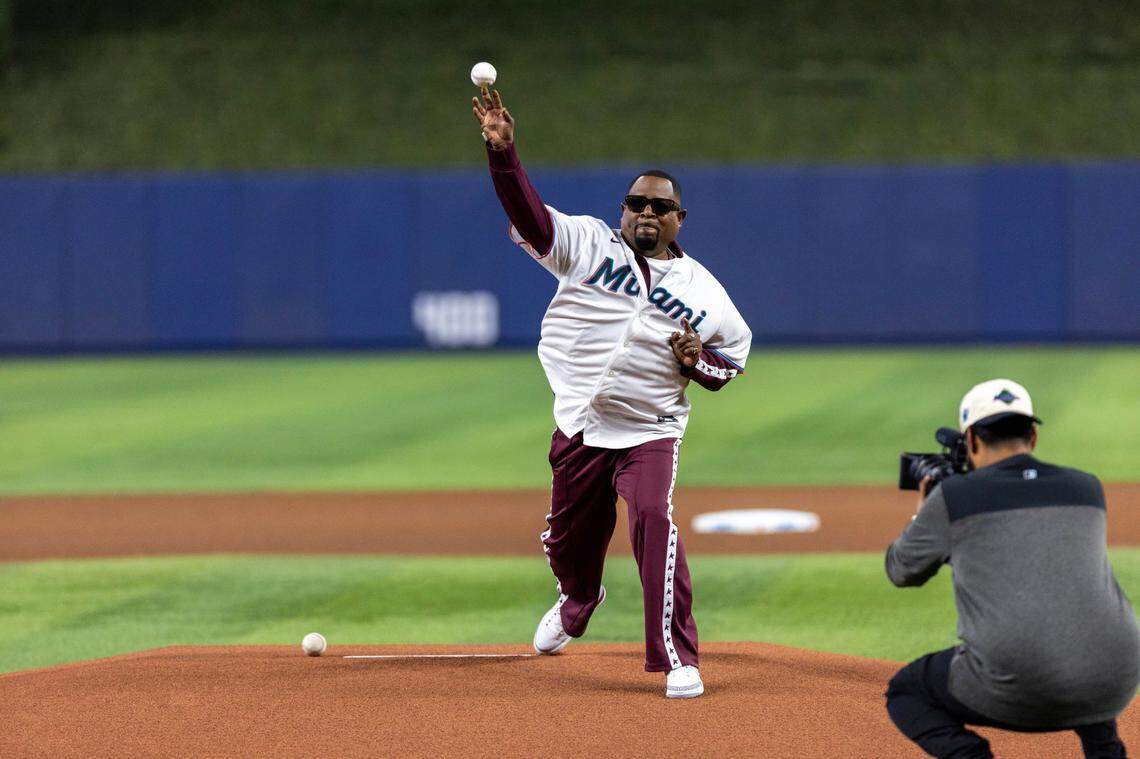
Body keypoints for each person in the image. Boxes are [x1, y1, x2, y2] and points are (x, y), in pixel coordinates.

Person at [471, 86, 752, 698]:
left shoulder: (706, 294)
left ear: (679, 219)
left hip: (650, 426)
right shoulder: (587, 245)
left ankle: (677, 657)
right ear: (622, 210)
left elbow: (733, 361)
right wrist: (503, 153)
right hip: (578, 422)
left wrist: (698, 361)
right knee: (569, 542)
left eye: (660, 205)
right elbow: (529, 215)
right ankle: (579, 598)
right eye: (635, 202)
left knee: (653, 517)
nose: (645, 213)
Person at [884, 378, 1139, 758]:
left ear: (971, 440)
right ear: (1033, 436)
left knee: (906, 691)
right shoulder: (1087, 488)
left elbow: (902, 570)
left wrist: (926, 512)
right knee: (1077, 635)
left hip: (1019, 686)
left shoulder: (954, 497)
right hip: (1117, 676)